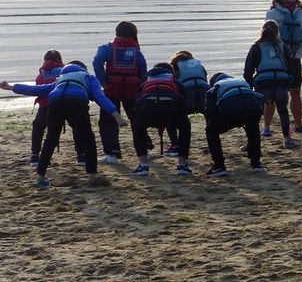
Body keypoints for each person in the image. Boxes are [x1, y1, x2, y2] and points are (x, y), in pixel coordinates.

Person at [1, 61, 126, 187]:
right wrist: (116, 116)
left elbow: (36, 89)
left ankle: (39, 177)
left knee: (50, 140)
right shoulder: (88, 77)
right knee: (88, 138)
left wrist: (11, 87)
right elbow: (100, 97)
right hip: (76, 103)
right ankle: (92, 175)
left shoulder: (60, 79)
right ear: (83, 69)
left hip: (55, 103)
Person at [92, 20, 147, 164]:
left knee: (108, 121)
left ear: (117, 33)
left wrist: (102, 80)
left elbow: (97, 61)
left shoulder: (107, 48)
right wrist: (140, 84)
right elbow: (143, 70)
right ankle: (144, 149)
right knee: (137, 120)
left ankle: (112, 154)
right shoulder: (136, 51)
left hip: (112, 89)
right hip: (132, 90)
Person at [265, 0, 302, 134]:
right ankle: (266, 128)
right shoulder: (273, 13)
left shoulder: (300, 11)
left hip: (295, 57)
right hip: (278, 59)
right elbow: (267, 37)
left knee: (296, 92)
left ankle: (298, 125)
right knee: (273, 94)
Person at [129, 63, 192, 176]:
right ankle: (182, 165)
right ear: (170, 72)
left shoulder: (147, 80)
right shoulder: (172, 79)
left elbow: (137, 98)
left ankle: (143, 165)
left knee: (137, 127)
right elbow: (183, 95)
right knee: (185, 127)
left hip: (147, 106)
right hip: (171, 107)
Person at [244, 20, 297, 148]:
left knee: (254, 114)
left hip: (263, 83)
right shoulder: (282, 46)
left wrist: (250, 87)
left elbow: (248, 70)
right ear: (277, 32)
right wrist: (289, 84)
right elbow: (290, 67)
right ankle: (287, 139)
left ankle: (251, 142)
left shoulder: (256, 46)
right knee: (283, 111)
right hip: (281, 82)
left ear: (262, 30)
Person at [205, 73, 266, 176]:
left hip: (231, 109)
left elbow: (210, 111)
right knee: (253, 129)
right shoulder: (242, 82)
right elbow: (260, 97)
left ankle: (219, 166)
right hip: (252, 108)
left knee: (211, 132)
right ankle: (256, 164)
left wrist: (214, 122)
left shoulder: (216, 86)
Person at [27, 50, 71, 167]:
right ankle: (81, 155)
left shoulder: (41, 75)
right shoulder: (66, 71)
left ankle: (35, 155)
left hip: (47, 106)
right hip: (66, 104)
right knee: (78, 127)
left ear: (45, 60)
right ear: (60, 60)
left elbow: (39, 90)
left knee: (38, 126)